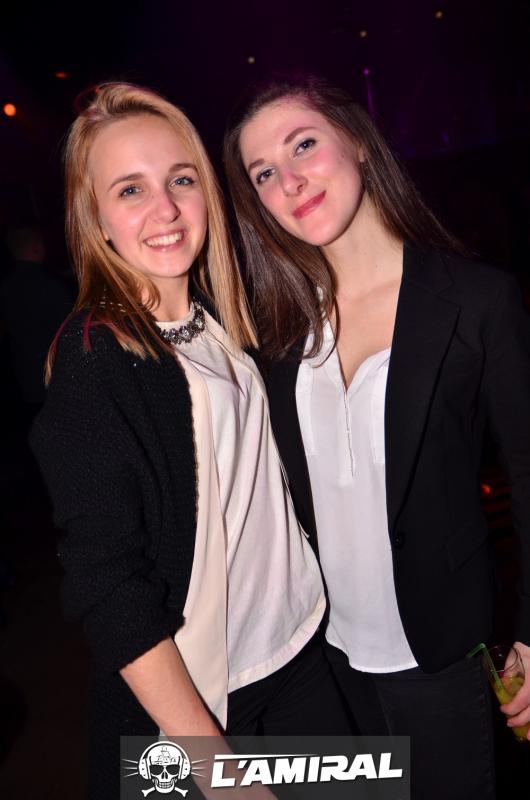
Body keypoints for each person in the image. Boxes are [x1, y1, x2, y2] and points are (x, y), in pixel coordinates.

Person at [30, 82, 350, 800]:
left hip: (299, 655)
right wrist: (214, 767)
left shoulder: (217, 325)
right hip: (206, 703)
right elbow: (107, 584)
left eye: (181, 180)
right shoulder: (96, 357)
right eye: (130, 190)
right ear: (96, 219)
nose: (167, 209)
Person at [223, 75, 530, 799]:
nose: (290, 181)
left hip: (441, 654)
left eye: (303, 145)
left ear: (357, 142)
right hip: (320, 664)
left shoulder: (475, 300)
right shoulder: (275, 332)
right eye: (263, 173)